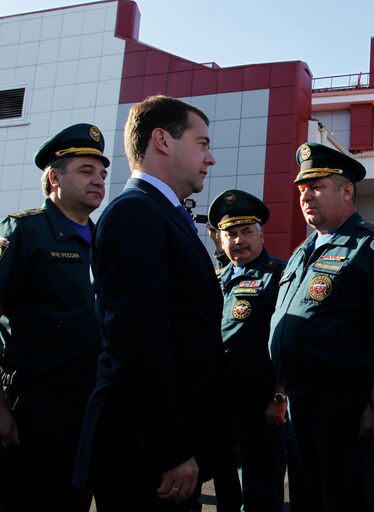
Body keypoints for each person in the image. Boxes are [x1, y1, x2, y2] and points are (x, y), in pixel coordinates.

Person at [73, 95, 237, 511]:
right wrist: (171, 449)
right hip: (148, 453)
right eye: (202, 143)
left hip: (163, 446)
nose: (211, 157)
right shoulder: (136, 214)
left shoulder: (160, 212)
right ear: (162, 140)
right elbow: (137, 345)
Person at [268, 142, 374, 512]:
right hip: (299, 404)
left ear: (346, 191)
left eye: (316, 187)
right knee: (307, 499)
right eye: (302, 189)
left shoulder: (372, 246)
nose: (306, 197)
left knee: (345, 500)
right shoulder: (303, 251)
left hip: (343, 405)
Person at [0, 123, 109, 512]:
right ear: (54, 177)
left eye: (102, 173)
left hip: (88, 413)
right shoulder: (25, 232)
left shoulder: (103, 242)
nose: (98, 180)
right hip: (33, 413)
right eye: (86, 170)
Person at [208, 189, 287, 512]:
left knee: (259, 494)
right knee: (227, 492)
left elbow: (286, 342)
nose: (238, 240)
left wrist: (280, 396)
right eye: (231, 234)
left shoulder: (280, 275)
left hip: (261, 407)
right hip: (221, 407)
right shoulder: (217, 279)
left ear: (261, 233)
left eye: (245, 231)